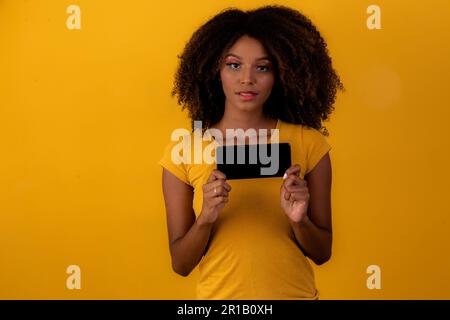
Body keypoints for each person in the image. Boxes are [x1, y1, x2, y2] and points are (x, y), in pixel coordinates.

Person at [158, 5, 344, 300]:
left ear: (281, 73)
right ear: (213, 71)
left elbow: (322, 252)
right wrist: (205, 217)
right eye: (234, 65)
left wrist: (300, 220)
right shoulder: (183, 152)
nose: (247, 78)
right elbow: (181, 263)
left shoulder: (310, 144)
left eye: (263, 67)